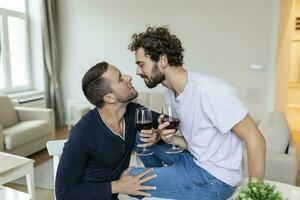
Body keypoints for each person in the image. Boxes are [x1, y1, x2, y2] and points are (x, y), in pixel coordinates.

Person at [128, 26, 266, 199]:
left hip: (214, 178)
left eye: (141, 64)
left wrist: (256, 195)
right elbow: (199, 142)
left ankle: (169, 186)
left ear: (162, 60)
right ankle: (170, 185)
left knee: (130, 180)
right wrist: (163, 136)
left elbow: (256, 139)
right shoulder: (170, 93)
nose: (138, 72)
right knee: (140, 137)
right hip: (193, 160)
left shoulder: (211, 90)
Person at [55, 62, 160, 200]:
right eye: (120, 79)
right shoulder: (82, 134)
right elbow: (63, 194)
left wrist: (157, 134)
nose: (129, 77)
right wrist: (117, 186)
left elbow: (166, 121)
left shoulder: (134, 112)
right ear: (109, 98)